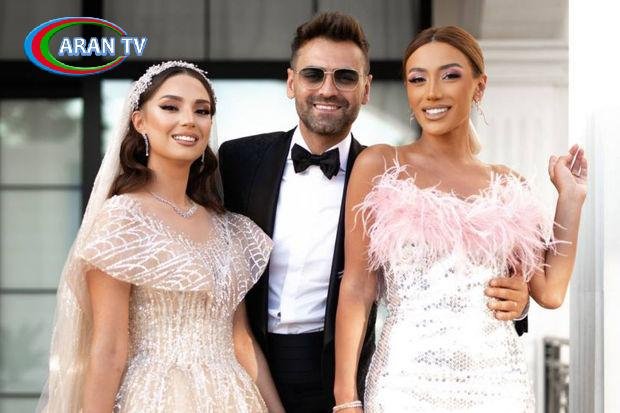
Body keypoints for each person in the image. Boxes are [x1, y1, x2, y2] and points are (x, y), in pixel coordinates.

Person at [219, 13, 529, 413]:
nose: (328, 89)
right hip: (246, 363)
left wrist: (519, 301)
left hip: (347, 370)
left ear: (366, 89)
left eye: (345, 77)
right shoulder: (238, 159)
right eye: (313, 75)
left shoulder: (388, 175)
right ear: (291, 82)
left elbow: (450, 261)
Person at [333, 26, 587, 412]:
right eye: (417, 79)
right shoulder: (380, 165)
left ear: (479, 87)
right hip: (404, 386)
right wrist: (345, 397)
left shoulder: (507, 185)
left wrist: (571, 198)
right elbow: (357, 287)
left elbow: (550, 291)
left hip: (499, 388)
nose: (432, 92)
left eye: (449, 75)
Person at [37, 61, 284, 413]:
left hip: (235, 398)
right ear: (139, 121)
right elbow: (109, 349)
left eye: (202, 111)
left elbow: (240, 338)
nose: (189, 120)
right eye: (170, 107)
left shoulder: (229, 228)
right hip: (158, 398)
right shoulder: (122, 219)